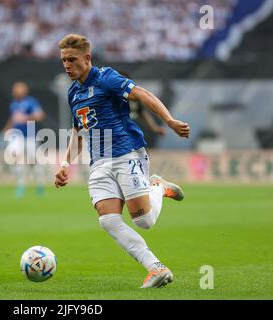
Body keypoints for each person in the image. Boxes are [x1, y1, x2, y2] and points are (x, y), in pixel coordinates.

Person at [54, 34, 190, 288]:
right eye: (63, 60)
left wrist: (169, 121)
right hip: (98, 163)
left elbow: (142, 94)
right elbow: (78, 132)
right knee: (108, 220)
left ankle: (158, 186)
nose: (67, 65)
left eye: (71, 60)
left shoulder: (106, 78)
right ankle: (156, 268)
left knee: (143, 221)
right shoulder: (73, 92)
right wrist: (65, 164)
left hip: (126, 153)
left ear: (87, 58)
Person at [2, 81, 46, 198]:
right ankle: (20, 185)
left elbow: (40, 115)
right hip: (17, 136)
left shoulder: (31, 102)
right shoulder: (13, 104)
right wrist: (7, 128)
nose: (16, 91)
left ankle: (39, 186)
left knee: (34, 162)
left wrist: (25, 117)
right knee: (15, 157)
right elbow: (13, 118)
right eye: (15, 89)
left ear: (24, 90)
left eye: (19, 89)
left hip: (30, 136)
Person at [119, 71, 166, 138]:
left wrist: (155, 128)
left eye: (124, 81)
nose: (120, 84)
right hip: (110, 131)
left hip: (129, 132)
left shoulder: (134, 97)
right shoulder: (107, 96)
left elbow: (142, 112)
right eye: (118, 80)